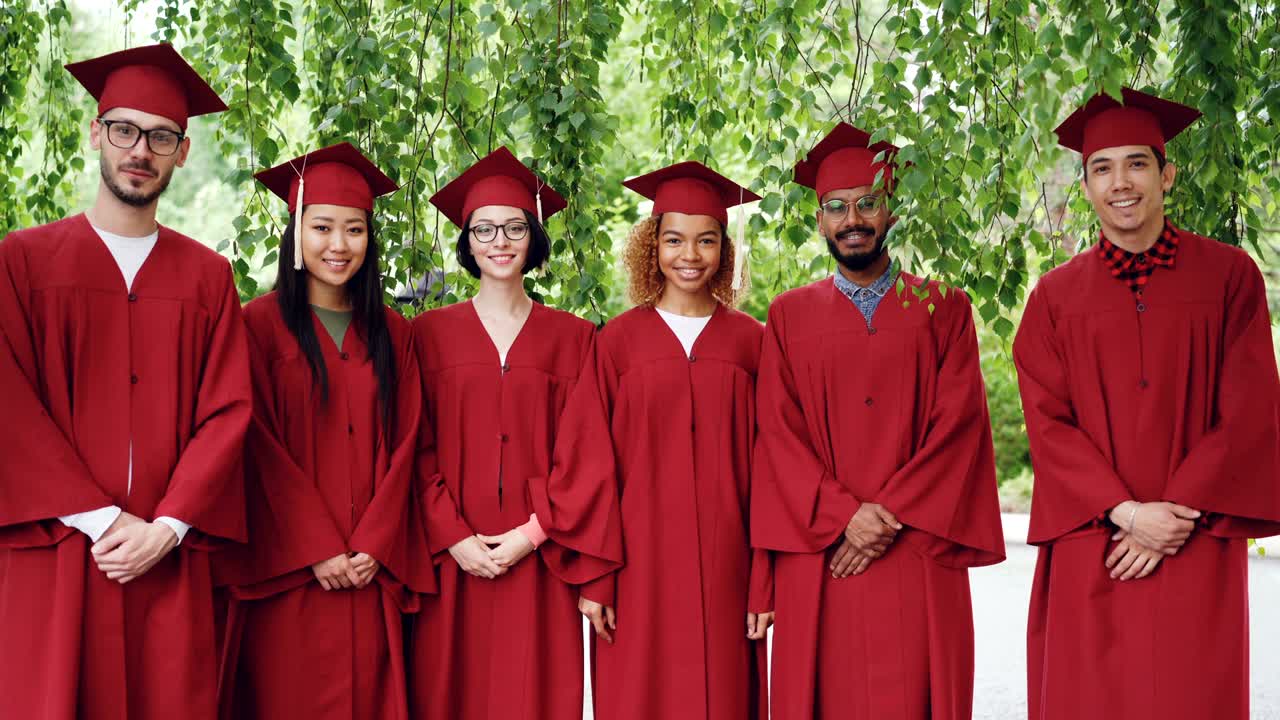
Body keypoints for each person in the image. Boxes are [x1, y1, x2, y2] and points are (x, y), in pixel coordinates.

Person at [0, 43, 251, 720]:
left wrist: (166, 527)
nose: (140, 150)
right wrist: (103, 519)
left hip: (168, 560)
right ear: (95, 133)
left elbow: (228, 411)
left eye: (160, 136)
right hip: (56, 547)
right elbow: (7, 405)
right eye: (124, 130)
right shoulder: (22, 263)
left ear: (183, 151)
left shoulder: (207, 278)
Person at [1014, 87, 1280, 720]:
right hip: (1093, 539)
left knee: (1193, 693)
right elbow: (1048, 424)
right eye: (1101, 168)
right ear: (1084, 185)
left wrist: (1171, 516)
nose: (1120, 182)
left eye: (1136, 163)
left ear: (1167, 174)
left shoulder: (1228, 276)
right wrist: (1127, 512)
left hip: (1196, 535)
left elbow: (1250, 408)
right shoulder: (1054, 298)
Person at [751, 122, 1005, 720]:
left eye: (868, 202)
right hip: (824, 549)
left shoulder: (943, 307)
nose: (852, 218)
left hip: (917, 543)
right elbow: (778, 435)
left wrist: (882, 520)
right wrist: (845, 516)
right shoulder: (788, 316)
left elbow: (959, 425)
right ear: (819, 221)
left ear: (891, 212)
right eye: (835, 207)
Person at [215, 142, 432, 719]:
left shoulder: (394, 333)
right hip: (287, 573)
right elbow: (253, 442)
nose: (338, 245)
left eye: (354, 230)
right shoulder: (254, 327)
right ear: (296, 232)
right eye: (322, 227)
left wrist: (374, 543)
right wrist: (316, 548)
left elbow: (408, 442)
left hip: (370, 571)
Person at [409, 147, 622, 720]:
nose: (499, 241)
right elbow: (412, 447)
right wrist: (452, 535)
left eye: (514, 227)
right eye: (484, 229)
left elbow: (589, 457)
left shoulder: (576, 339)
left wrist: (534, 532)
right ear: (467, 240)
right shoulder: (426, 336)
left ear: (533, 238)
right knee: (445, 694)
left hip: (540, 558)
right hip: (450, 559)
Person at [577, 161, 771, 720]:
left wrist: (765, 581)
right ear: (652, 247)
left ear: (724, 251)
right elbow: (592, 467)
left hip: (729, 566)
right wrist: (597, 577)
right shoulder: (616, 343)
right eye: (675, 240)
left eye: (706, 240)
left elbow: (772, 468)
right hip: (638, 569)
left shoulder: (751, 343)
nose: (691, 255)